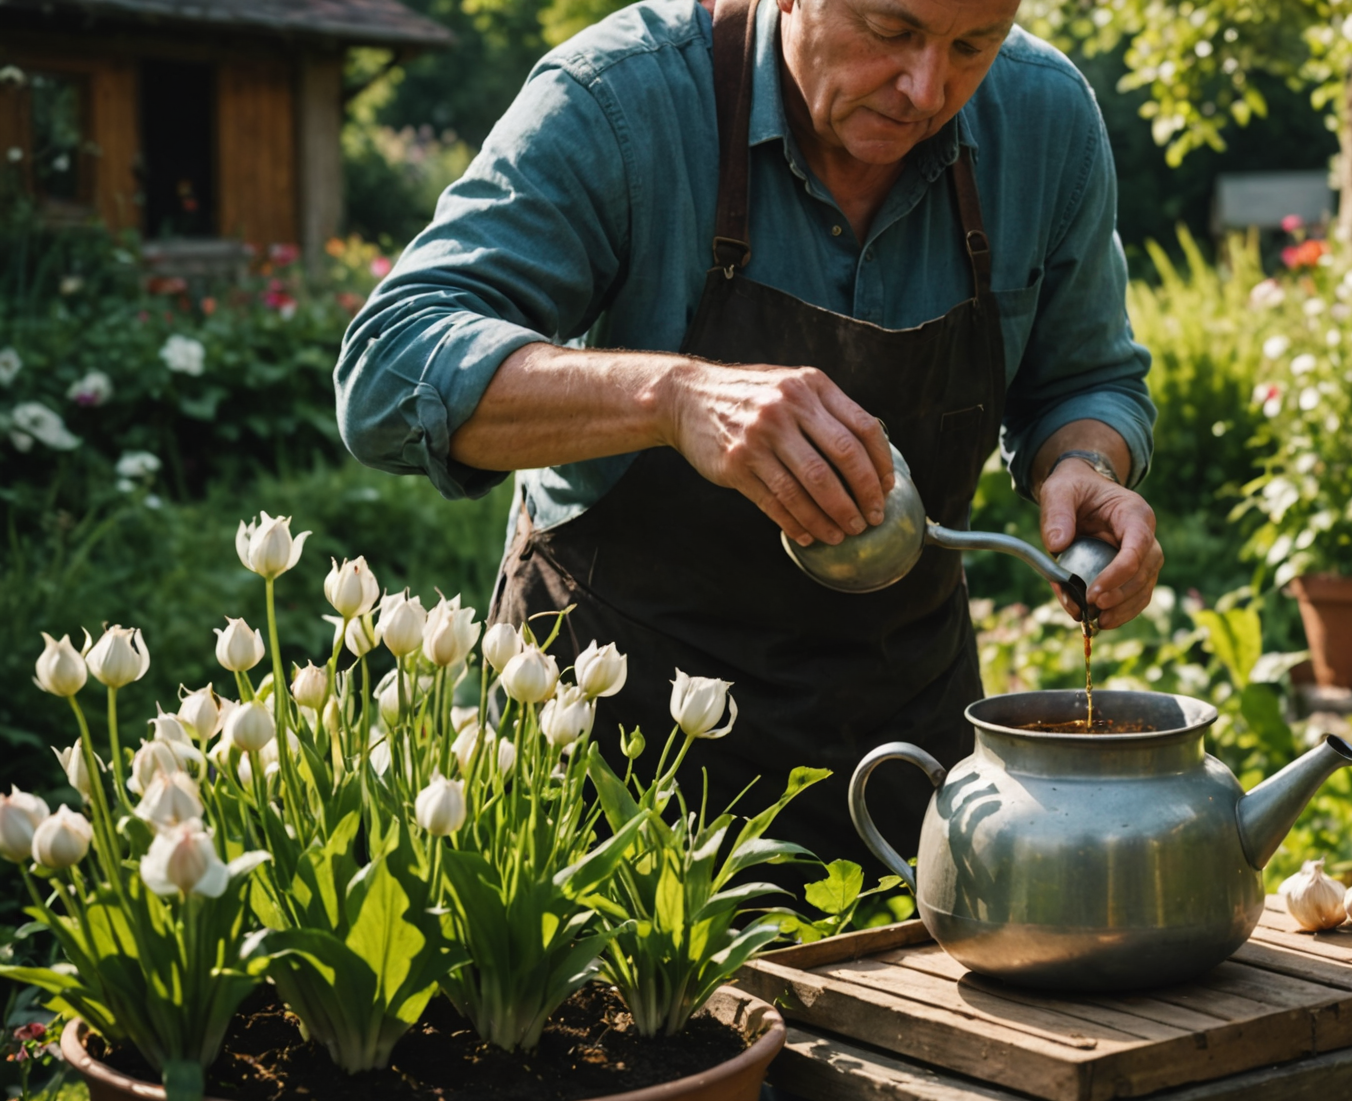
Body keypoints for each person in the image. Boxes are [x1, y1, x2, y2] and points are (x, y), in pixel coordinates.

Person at [335, 0, 1162, 871]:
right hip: (615, 761)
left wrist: (1083, 460)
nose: (926, 89)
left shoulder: (1043, 118)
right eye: (891, 32)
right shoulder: (620, 98)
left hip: (904, 758)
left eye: (972, 46)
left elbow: (1086, 380)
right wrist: (673, 396)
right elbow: (389, 370)